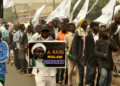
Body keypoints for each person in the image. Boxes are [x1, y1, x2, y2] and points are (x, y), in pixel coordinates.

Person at [70, 19, 90, 86]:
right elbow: (74, 45)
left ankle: (87, 83)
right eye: (84, 22)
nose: (85, 23)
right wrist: (75, 56)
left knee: (89, 68)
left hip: (87, 54)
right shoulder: (77, 32)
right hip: (80, 55)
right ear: (81, 24)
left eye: (86, 22)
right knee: (81, 71)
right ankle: (80, 84)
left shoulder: (88, 32)